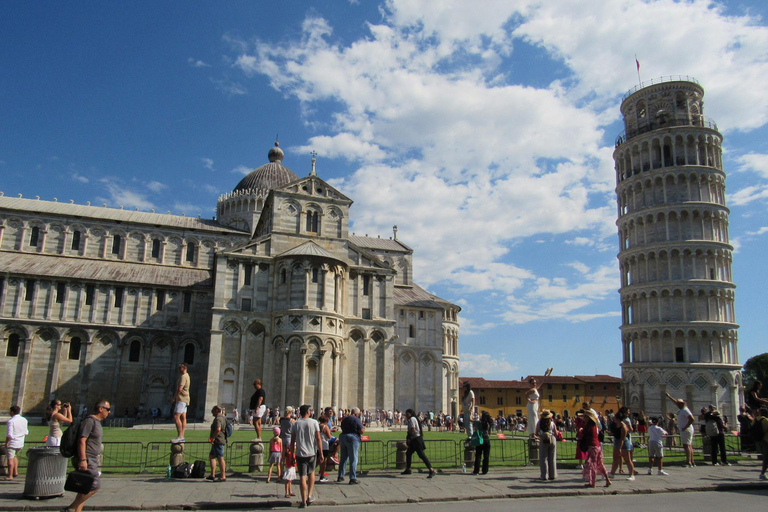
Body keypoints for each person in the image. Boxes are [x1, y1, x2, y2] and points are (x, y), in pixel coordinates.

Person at [63, 400, 110, 512]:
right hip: (87, 458)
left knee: (85, 487)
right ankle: (70, 508)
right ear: (101, 409)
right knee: (95, 486)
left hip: (90, 458)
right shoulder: (90, 421)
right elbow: (82, 440)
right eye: (107, 409)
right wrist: (83, 459)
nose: (109, 412)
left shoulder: (96, 422)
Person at [290, 405, 323, 508]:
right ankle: (309, 495)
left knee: (302, 477)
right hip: (312, 453)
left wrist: (291, 454)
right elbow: (318, 438)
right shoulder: (314, 422)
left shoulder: (296, 424)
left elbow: (292, 442)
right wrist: (321, 453)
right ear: (308, 412)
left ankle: (303, 501)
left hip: (300, 454)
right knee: (311, 473)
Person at [401, 408, 436, 478]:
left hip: (416, 440)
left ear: (411, 414)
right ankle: (408, 469)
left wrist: (409, 438)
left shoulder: (412, 419)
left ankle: (431, 469)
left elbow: (413, 430)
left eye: (407, 414)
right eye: (406, 414)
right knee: (408, 453)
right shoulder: (413, 419)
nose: (406, 416)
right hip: (415, 439)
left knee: (421, 455)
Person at [581, 409, 611, 488]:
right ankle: (607, 480)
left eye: (585, 417)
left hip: (592, 446)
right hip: (597, 446)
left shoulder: (589, 426)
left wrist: (581, 431)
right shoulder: (594, 425)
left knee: (592, 465)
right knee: (600, 464)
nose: (584, 418)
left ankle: (593, 482)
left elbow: (584, 433)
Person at [666, 392, 695, 467]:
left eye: (679, 404)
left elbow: (692, 419)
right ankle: (692, 461)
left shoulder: (685, 410)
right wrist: (669, 396)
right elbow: (675, 402)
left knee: (686, 446)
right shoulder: (682, 408)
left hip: (686, 430)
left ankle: (688, 462)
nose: (677, 405)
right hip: (686, 429)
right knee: (689, 445)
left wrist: (685, 427)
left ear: (682, 404)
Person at [337, 407, 364, 484]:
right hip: (352, 438)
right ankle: (352, 478)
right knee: (353, 458)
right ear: (356, 414)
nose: (359, 415)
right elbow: (361, 431)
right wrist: (363, 428)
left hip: (343, 436)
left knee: (343, 458)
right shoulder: (356, 419)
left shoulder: (345, 419)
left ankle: (340, 476)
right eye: (358, 414)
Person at [609, 407, 636, 481]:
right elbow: (616, 434)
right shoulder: (616, 425)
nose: (614, 418)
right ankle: (612, 473)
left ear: (618, 419)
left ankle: (631, 474)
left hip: (624, 443)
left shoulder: (623, 427)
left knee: (627, 459)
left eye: (615, 417)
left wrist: (619, 448)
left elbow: (622, 439)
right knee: (615, 459)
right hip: (617, 441)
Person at [4, 405, 28, 481]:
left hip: (13, 442)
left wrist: (6, 442)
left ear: (12, 412)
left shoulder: (11, 421)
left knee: (10, 459)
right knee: (14, 456)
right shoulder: (24, 420)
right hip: (20, 442)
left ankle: (10, 475)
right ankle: (15, 472)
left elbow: (9, 434)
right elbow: (26, 431)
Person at [536, 409, 558, 481]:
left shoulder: (539, 423)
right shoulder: (552, 423)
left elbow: (536, 432)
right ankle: (553, 475)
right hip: (552, 438)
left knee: (543, 458)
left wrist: (540, 435)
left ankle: (544, 475)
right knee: (552, 458)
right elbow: (556, 433)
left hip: (543, 438)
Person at [171, 363, 190, 444]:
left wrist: (174, 397)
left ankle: (180, 436)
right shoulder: (187, 376)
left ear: (184, 368)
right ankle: (182, 436)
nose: (179, 369)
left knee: (176, 416)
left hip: (181, 399)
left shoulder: (183, 376)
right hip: (185, 399)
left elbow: (180, 388)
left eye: (180, 367)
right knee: (183, 417)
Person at [206, 405, 227, 482]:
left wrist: (213, 438)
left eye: (213, 411)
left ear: (216, 411)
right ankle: (212, 474)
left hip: (218, 441)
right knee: (212, 456)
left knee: (220, 458)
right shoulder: (223, 418)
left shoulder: (218, 419)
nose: (212, 413)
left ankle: (223, 476)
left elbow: (218, 429)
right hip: (218, 441)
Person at [317, 415, 339, 482]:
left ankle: (309, 472)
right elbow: (329, 436)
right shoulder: (325, 427)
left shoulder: (318, 426)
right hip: (324, 445)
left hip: (318, 445)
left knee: (317, 460)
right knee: (324, 461)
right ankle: (322, 476)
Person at [472, 411, 492, 475]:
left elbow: (471, 420)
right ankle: (485, 470)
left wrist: (470, 413)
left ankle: (476, 470)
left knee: (478, 455)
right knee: (486, 456)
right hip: (486, 439)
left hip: (480, 439)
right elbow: (489, 432)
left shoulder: (478, 423)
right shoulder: (488, 423)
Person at [754, 407, 768, 480]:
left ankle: (763, 473)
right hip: (766, 440)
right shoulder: (765, 420)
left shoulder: (756, 420)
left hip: (760, 440)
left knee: (765, 457)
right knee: (766, 458)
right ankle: (762, 473)